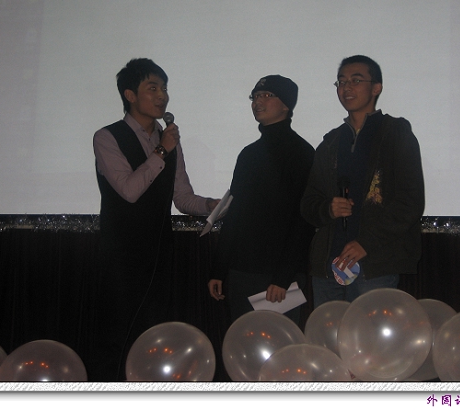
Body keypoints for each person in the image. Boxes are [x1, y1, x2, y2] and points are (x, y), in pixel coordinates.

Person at [91, 58, 219, 381]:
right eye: (153, 88)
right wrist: (161, 151)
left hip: (160, 255)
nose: (162, 95)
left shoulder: (168, 140)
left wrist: (212, 205)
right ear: (130, 95)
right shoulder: (107, 137)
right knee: (117, 338)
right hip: (121, 257)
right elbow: (129, 190)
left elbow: (183, 198)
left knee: (153, 337)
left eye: (164, 88)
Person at [300, 55, 425, 308]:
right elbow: (308, 203)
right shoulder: (331, 142)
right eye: (341, 81)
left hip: (374, 264)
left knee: (367, 333)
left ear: (376, 88)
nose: (347, 87)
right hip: (329, 266)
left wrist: (366, 243)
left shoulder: (395, 133)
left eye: (356, 80)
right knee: (327, 333)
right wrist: (327, 208)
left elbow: (410, 202)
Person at [208, 75, 315, 325]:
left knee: (281, 344)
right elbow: (234, 214)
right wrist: (219, 270)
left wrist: (284, 277)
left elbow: (303, 219)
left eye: (267, 95)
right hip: (241, 271)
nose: (258, 101)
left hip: (279, 276)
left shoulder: (301, 153)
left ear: (286, 104)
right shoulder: (248, 154)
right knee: (244, 341)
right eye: (255, 96)